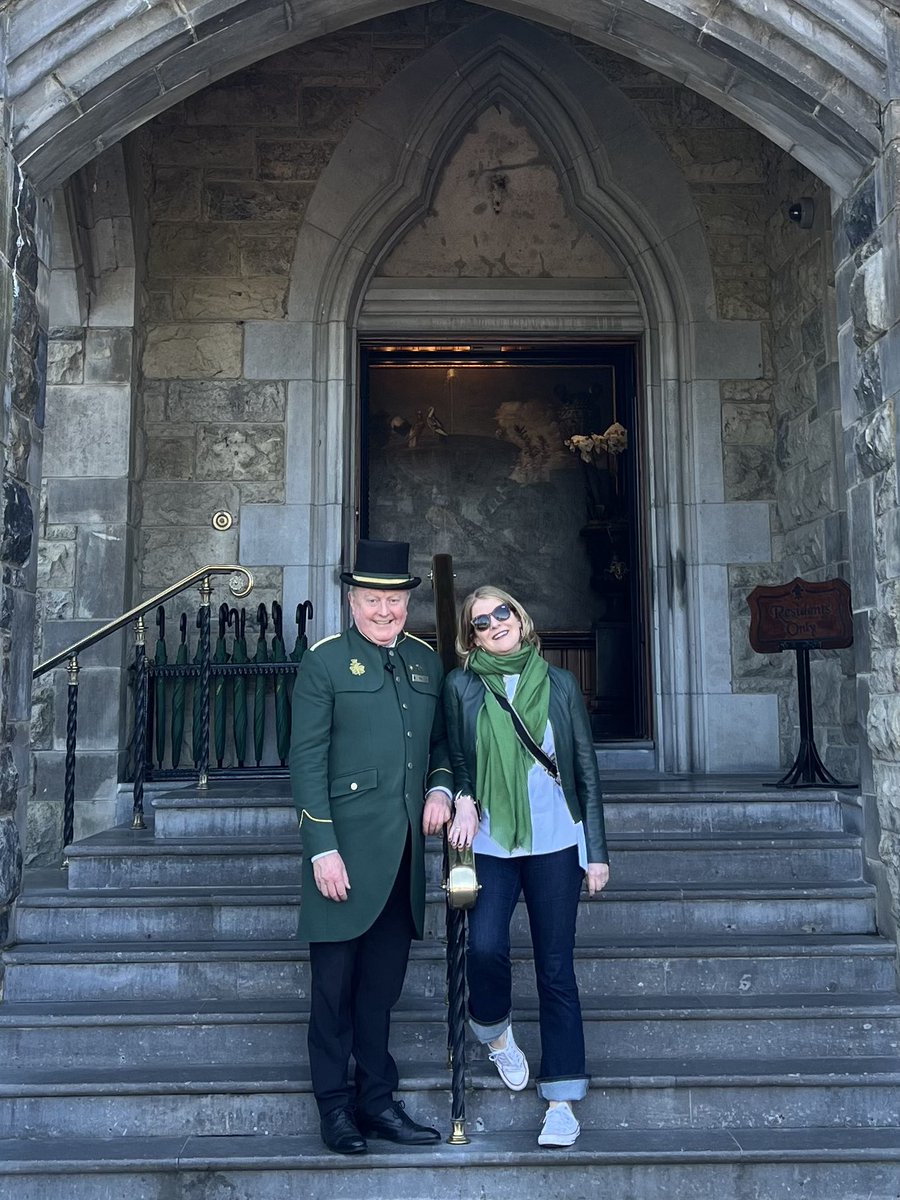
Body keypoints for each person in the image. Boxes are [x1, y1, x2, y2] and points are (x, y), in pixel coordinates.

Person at [290, 539, 453, 1155]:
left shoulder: (425, 661)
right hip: (343, 855)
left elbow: (442, 746)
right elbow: (306, 762)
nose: (383, 610)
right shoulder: (325, 662)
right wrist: (320, 848)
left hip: (403, 854)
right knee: (333, 991)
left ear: (406, 602)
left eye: (393, 599)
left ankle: (377, 1103)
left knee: (380, 991)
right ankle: (335, 1109)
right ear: (353, 601)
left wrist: (441, 791)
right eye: (371, 598)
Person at [442, 585, 609, 1148]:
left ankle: (561, 1099)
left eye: (501, 613)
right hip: (491, 843)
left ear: (519, 616)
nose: (494, 625)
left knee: (556, 968)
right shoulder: (462, 686)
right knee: (484, 946)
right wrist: (463, 797)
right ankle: (494, 1032)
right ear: (472, 637)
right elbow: (459, 760)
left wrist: (597, 851)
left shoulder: (559, 683)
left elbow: (584, 767)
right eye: (480, 622)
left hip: (557, 842)